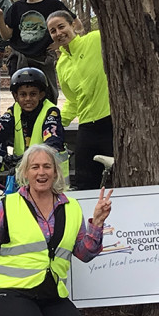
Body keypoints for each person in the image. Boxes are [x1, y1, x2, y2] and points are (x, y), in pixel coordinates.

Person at [0, 143, 112, 316]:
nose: (41, 172)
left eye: (47, 167)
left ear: (56, 172)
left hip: (52, 293)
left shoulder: (72, 207)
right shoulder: (8, 204)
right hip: (13, 291)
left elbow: (85, 255)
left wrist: (96, 223)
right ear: (25, 173)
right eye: (35, 167)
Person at [0, 0, 81, 104]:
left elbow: (77, 25)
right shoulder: (16, 8)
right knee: (24, 102)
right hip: (20, 62)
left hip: (43, 60)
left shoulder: (53, 5)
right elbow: (7, 35)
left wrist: (58, 43)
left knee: (47, 100)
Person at [46, 10, 112, 191]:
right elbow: (73, 101)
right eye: (53, 31)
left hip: (111, 122)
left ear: (73, 25)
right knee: (84, 183)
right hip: (87, 128)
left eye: (61, 27)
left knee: (118, 180)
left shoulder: (95, 39)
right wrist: (56, 122)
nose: (58, 33)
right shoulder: (61, 65)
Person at [0, 68, 66, 177]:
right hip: (24, 169)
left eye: (33, 94)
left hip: (49, 171)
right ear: (15, 96)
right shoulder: (14, 110)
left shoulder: (50, 111)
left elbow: (52, 133)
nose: (28, 99)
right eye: (23, 94)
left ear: (41, 95)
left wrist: (50, 149)